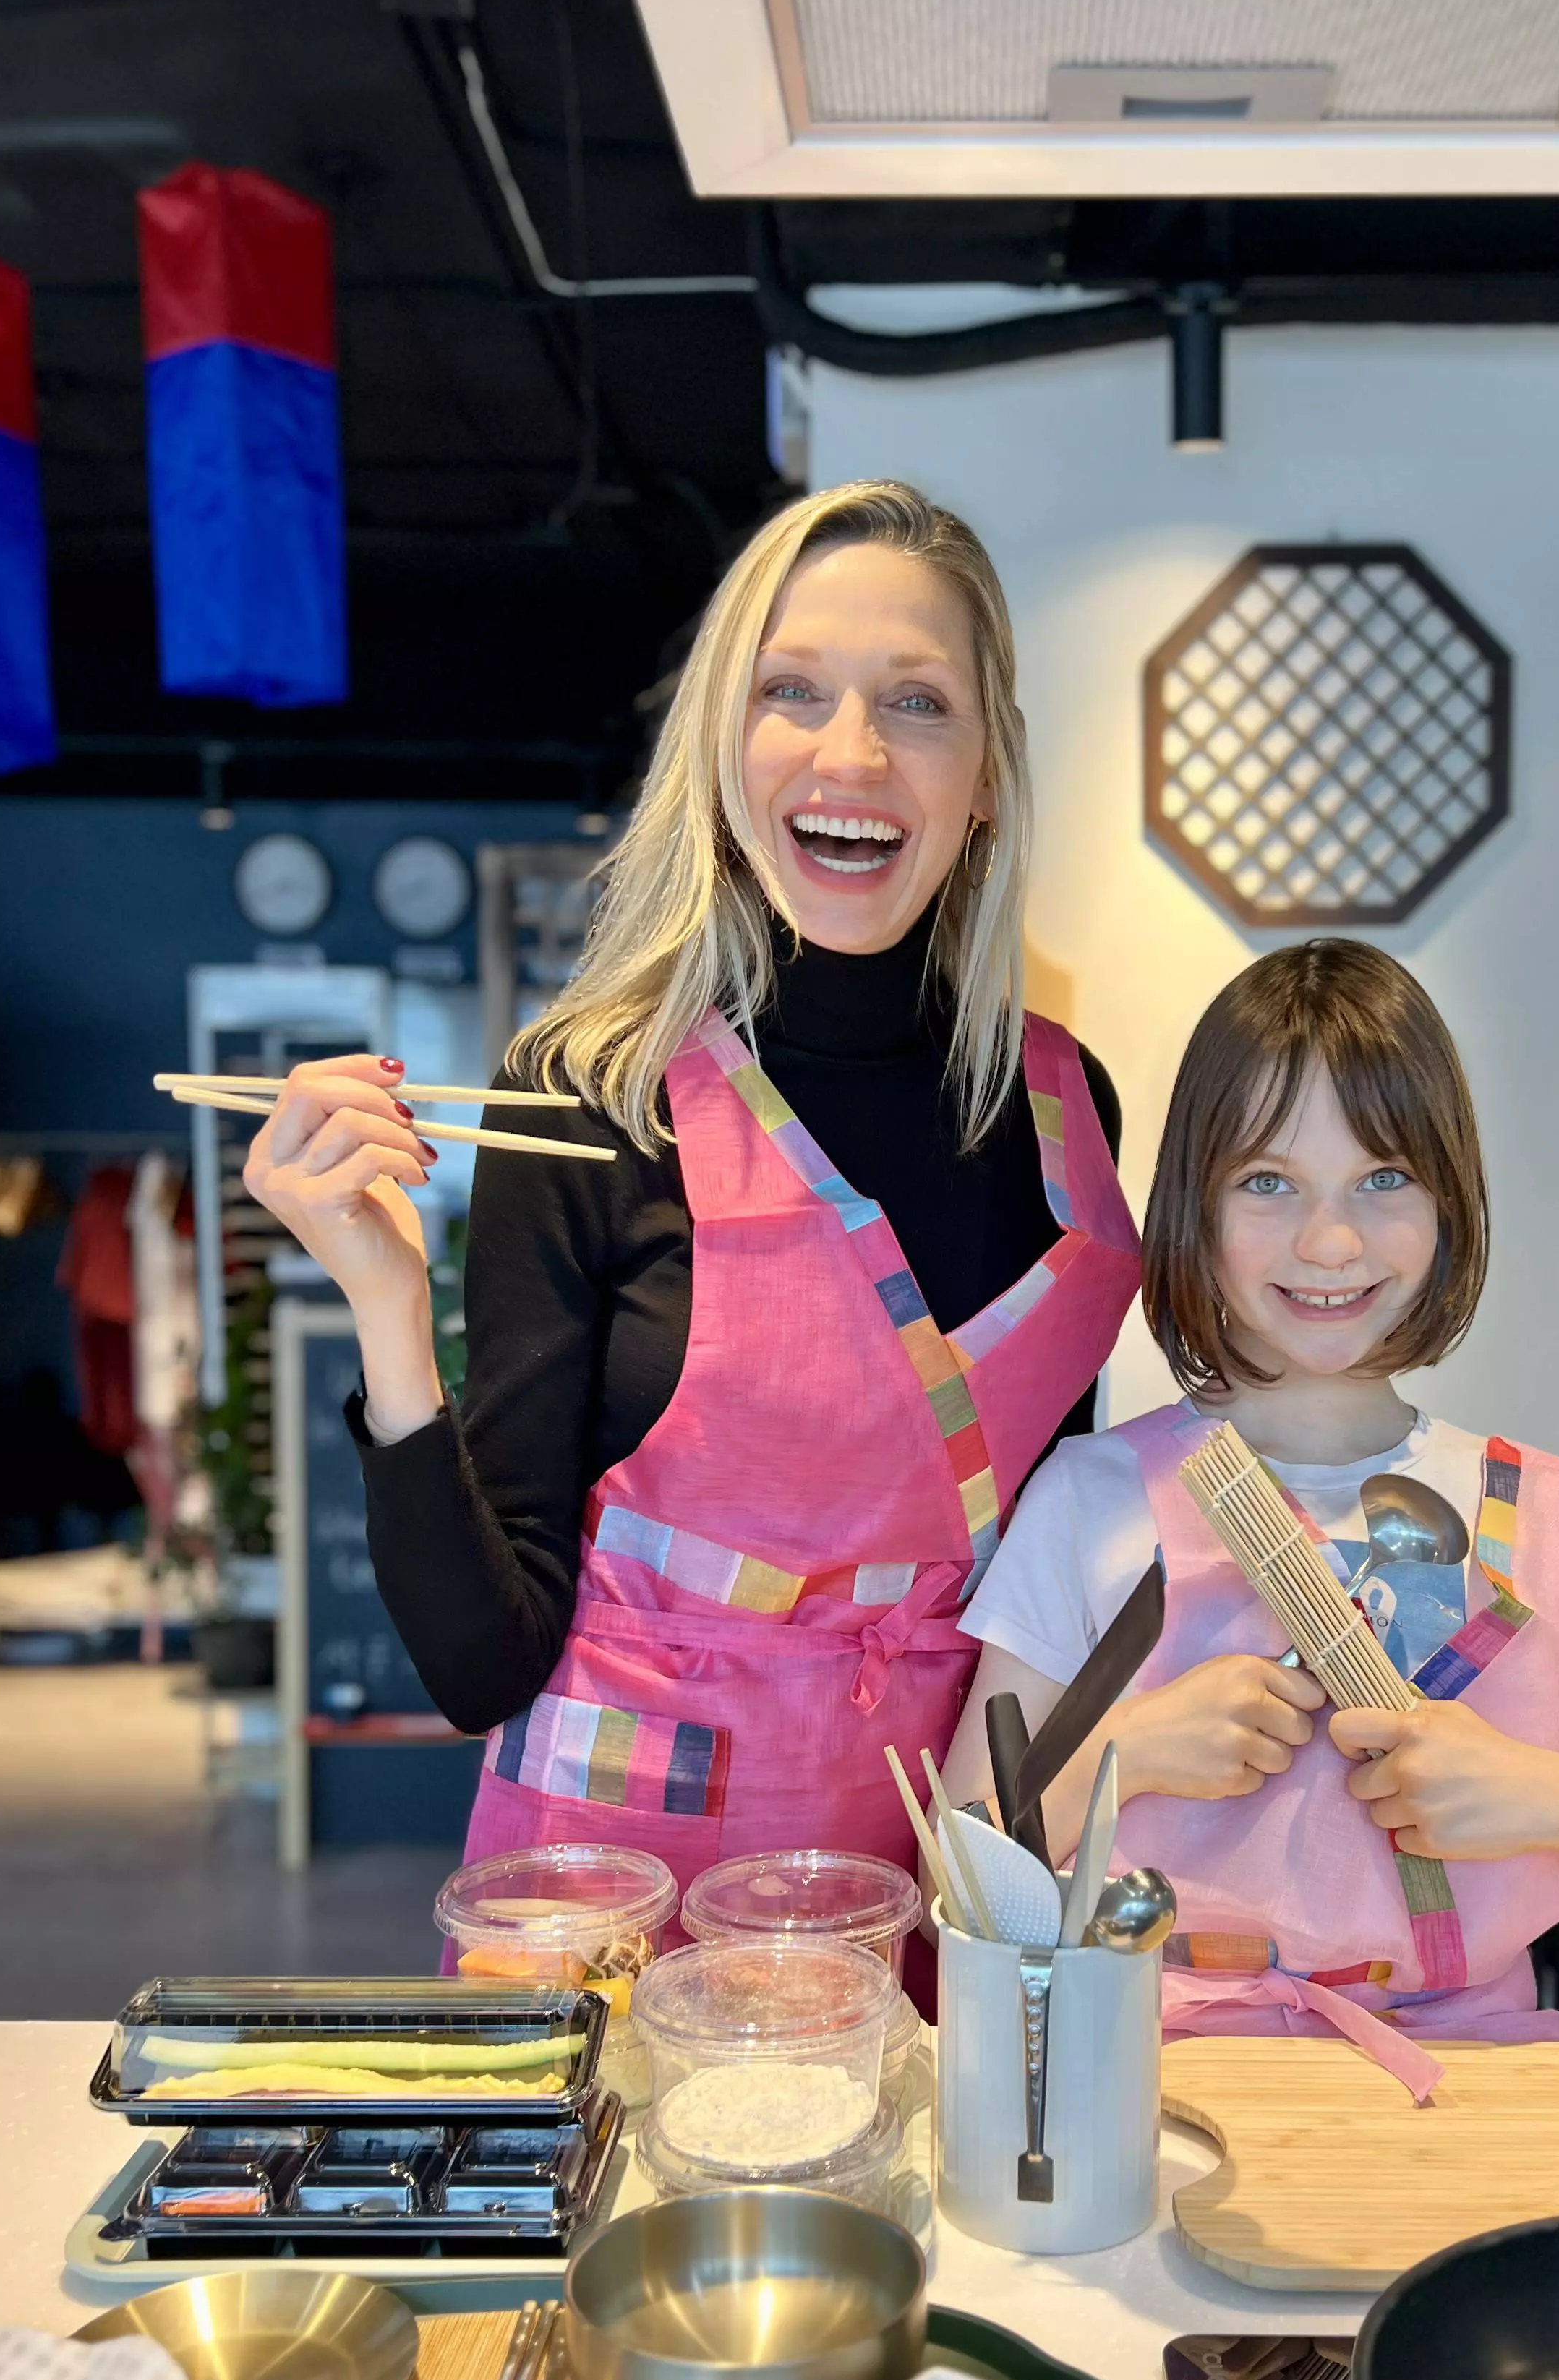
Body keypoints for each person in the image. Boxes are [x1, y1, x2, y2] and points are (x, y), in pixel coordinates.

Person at [243, 483, 1141, 1989]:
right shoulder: (591, 1094)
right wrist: (388, 1310)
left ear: (987, 770)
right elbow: (479, 1665)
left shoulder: (1060, 1109)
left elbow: (1044, 1587)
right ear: (722, 744)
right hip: (611, 1908)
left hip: (936, 1877)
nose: (851, 753)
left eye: (916, 701)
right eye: (792, 691)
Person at [944, 938, 1559, 2054]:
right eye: (1267, 1182)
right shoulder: (1093, 1499)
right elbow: (956, 1880)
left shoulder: (1534, 1513)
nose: (1330, 1242)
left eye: (1383, 1178)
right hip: (1154, 2085)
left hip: (1468, 2098)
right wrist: (1129, 1753)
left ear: (1448, 1200)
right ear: (1196, 1205)